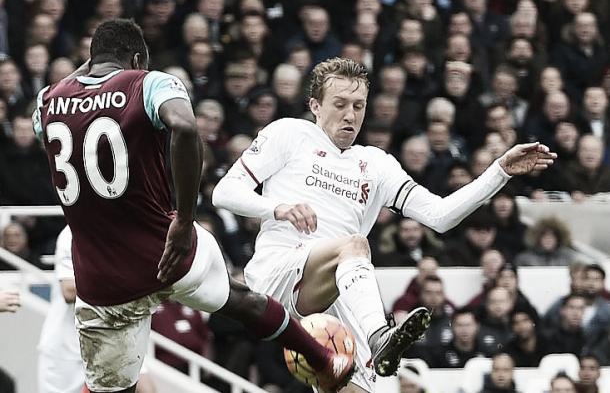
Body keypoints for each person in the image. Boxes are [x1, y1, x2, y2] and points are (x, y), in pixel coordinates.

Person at [33, 19, 352, 393]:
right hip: (166, 249)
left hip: (103, 279)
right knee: (240, 301)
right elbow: (185, 127)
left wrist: (86, 68)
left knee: (113, 389)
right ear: (138, 59)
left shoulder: (48, 100)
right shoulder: (148, 83)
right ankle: (324, 359)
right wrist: (184, 221)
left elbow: (51, 115)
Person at [212, 57, 557, 392]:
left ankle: (377, 341)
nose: (350, 115)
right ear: (315, 105)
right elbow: (224, 193)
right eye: (340, 104)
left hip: (335, 298)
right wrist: (278, 208)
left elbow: (440, 216)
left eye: (358, 106)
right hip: (280, 273)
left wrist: (500, 171)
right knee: (356, 244)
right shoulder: (289, 133)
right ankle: (381, 336)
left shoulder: (375, 164)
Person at [38, 226, 156, 393]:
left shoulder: (127, 232)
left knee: (147, 390)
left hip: (115, 336)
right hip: (66, 350)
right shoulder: (72, 232)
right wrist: (124, 282)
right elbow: (69, 290)